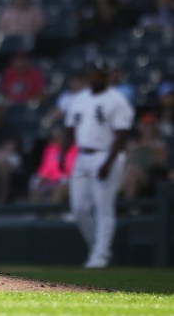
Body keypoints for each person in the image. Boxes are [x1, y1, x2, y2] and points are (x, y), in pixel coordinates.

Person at [61, 59, 134, 268]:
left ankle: (100, 255)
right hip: (82, 155)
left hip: (106, 154)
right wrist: (63, 153)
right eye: (92, 74)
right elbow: (69, 127)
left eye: (99, 74)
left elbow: (121, 134)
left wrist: (109, 163)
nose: (95, 77)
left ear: (107, 76)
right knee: (78, 208)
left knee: (103, 207)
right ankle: (99, 248)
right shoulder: (79, 98)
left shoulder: (117, 100)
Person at [120, 112, 168, 201]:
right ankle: (132, 209)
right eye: (146, 125)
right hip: (131, 174)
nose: (148, 128)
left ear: (155, 127)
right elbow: (125, 162)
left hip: (149, 176)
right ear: (140, 126)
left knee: (131, 173)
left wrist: (153, 152)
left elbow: (162, 164)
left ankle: (127, 207)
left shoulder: (159, 145)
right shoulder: (132, 144)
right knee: (131, 178)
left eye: (151, 125)